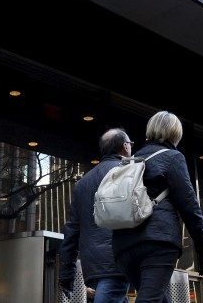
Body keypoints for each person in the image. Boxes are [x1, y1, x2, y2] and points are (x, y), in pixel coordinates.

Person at [111, 110, 203, 303]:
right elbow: (189, 205)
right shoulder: (173, 157)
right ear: (175, 134)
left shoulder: (130, 161)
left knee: (157, 297)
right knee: (150, 299)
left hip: (123, 246)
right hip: (157, 243)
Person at [59, 128, 134, 303]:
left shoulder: (82, 183)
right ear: (125, 147)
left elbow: (72, 231)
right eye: (130, 144)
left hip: (91, 266)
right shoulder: (130, 172)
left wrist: (67, 274)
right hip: (118, 259)